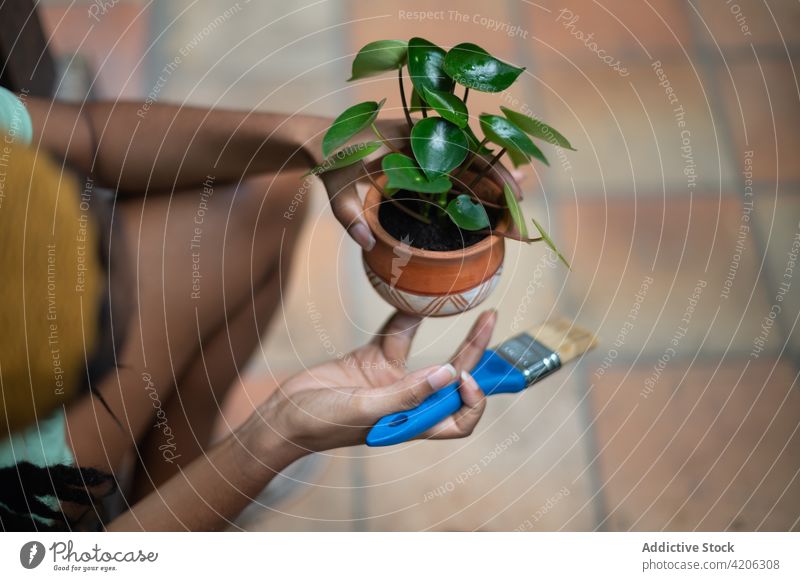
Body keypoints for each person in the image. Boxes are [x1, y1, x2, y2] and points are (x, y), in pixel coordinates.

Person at [0, 86, 500, 531]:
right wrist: (270, 441)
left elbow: (86, 134)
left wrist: (318, 140)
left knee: (268, 189)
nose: (127, 304)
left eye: (97, 251)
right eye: (95, 354)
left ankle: (173, 491)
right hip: (25, 494)